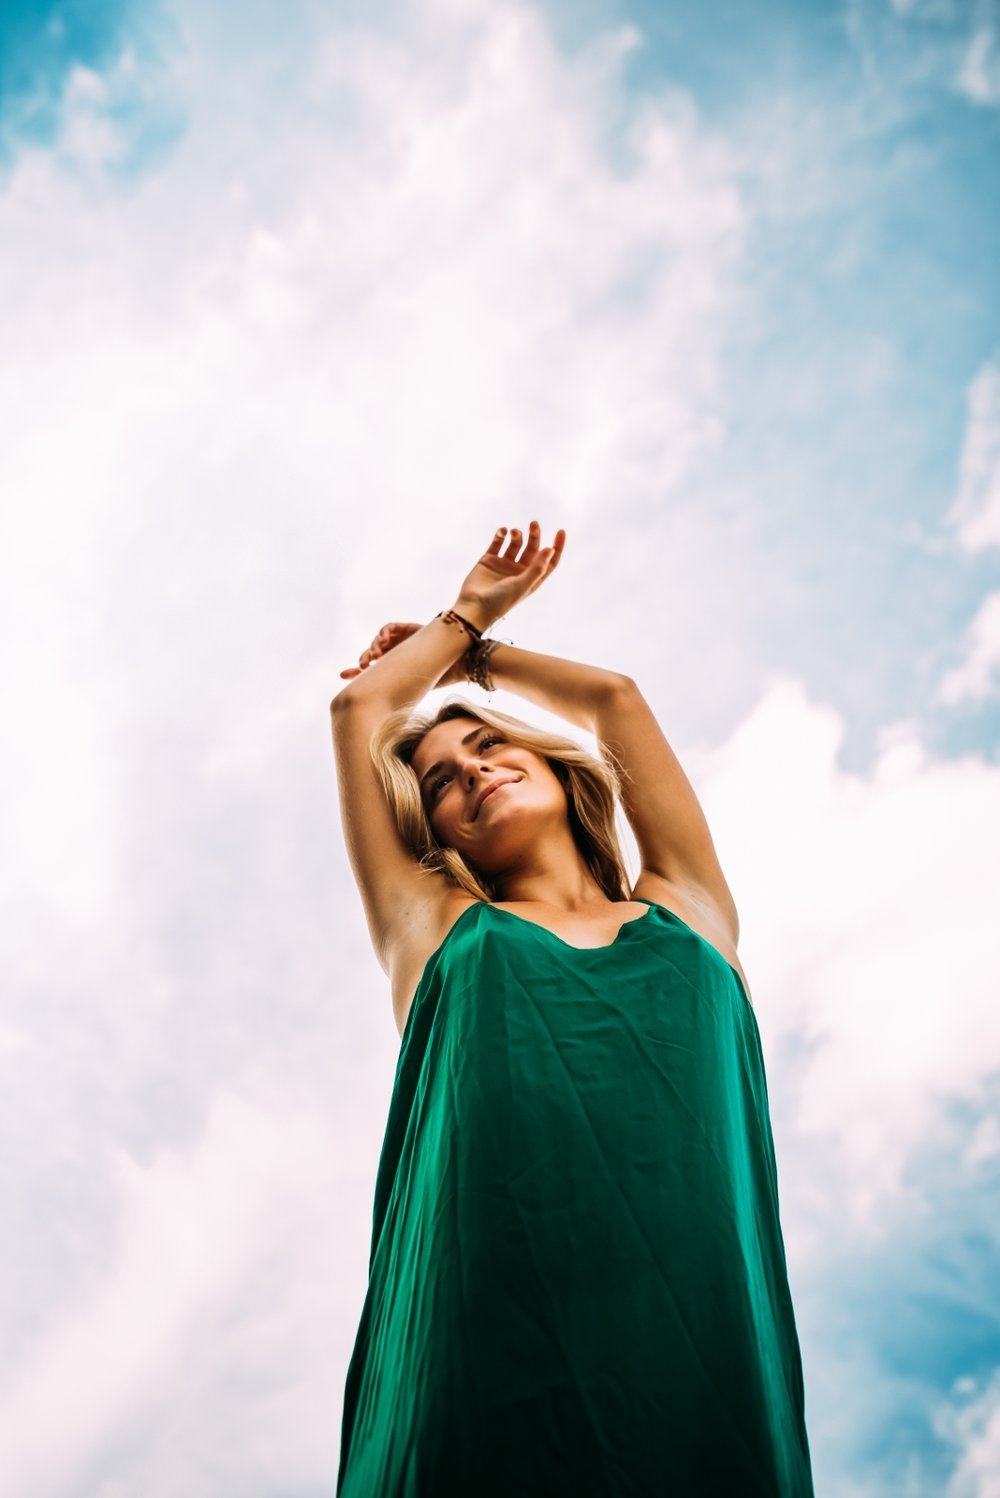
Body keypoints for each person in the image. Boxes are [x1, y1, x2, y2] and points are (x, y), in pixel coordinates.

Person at [329, 522, 815, 1497]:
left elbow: (613, 699)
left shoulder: (687, 911)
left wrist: (478, 654)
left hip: (696, 1337)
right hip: (486, 1344)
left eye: (489, 743)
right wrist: (459, 613)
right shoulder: (436, 933)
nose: (469, 770)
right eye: (440, 780)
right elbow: (357, 709)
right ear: (435, 828)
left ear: (557, 765)